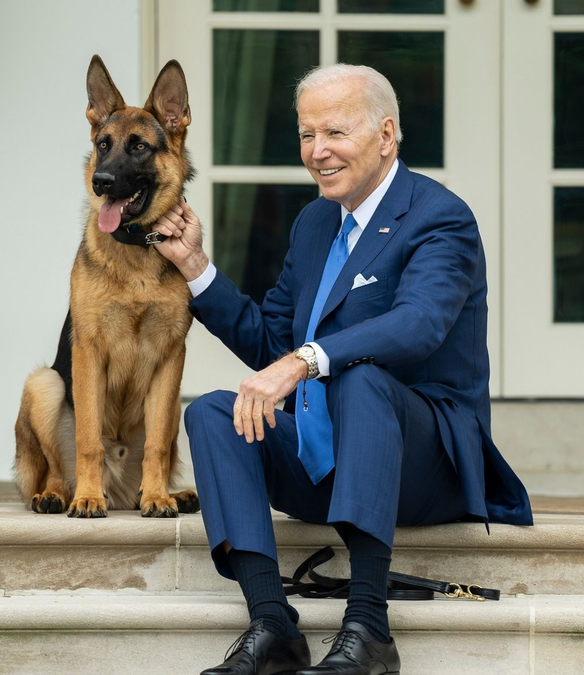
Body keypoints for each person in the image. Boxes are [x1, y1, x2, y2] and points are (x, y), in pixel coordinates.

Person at [152, 64, 533, 675]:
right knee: (214, 414)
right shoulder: (313, 224)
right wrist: (197, 267)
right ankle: (273, 624)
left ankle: (369, 627)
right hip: (329, 457)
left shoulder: (440, 218)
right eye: (306, 134)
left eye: (334, 132)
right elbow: (274, 342)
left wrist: (304, 362)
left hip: (423, 462)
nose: (317, 152)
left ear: (386, 136)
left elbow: (419, 325)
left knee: (360, 375)